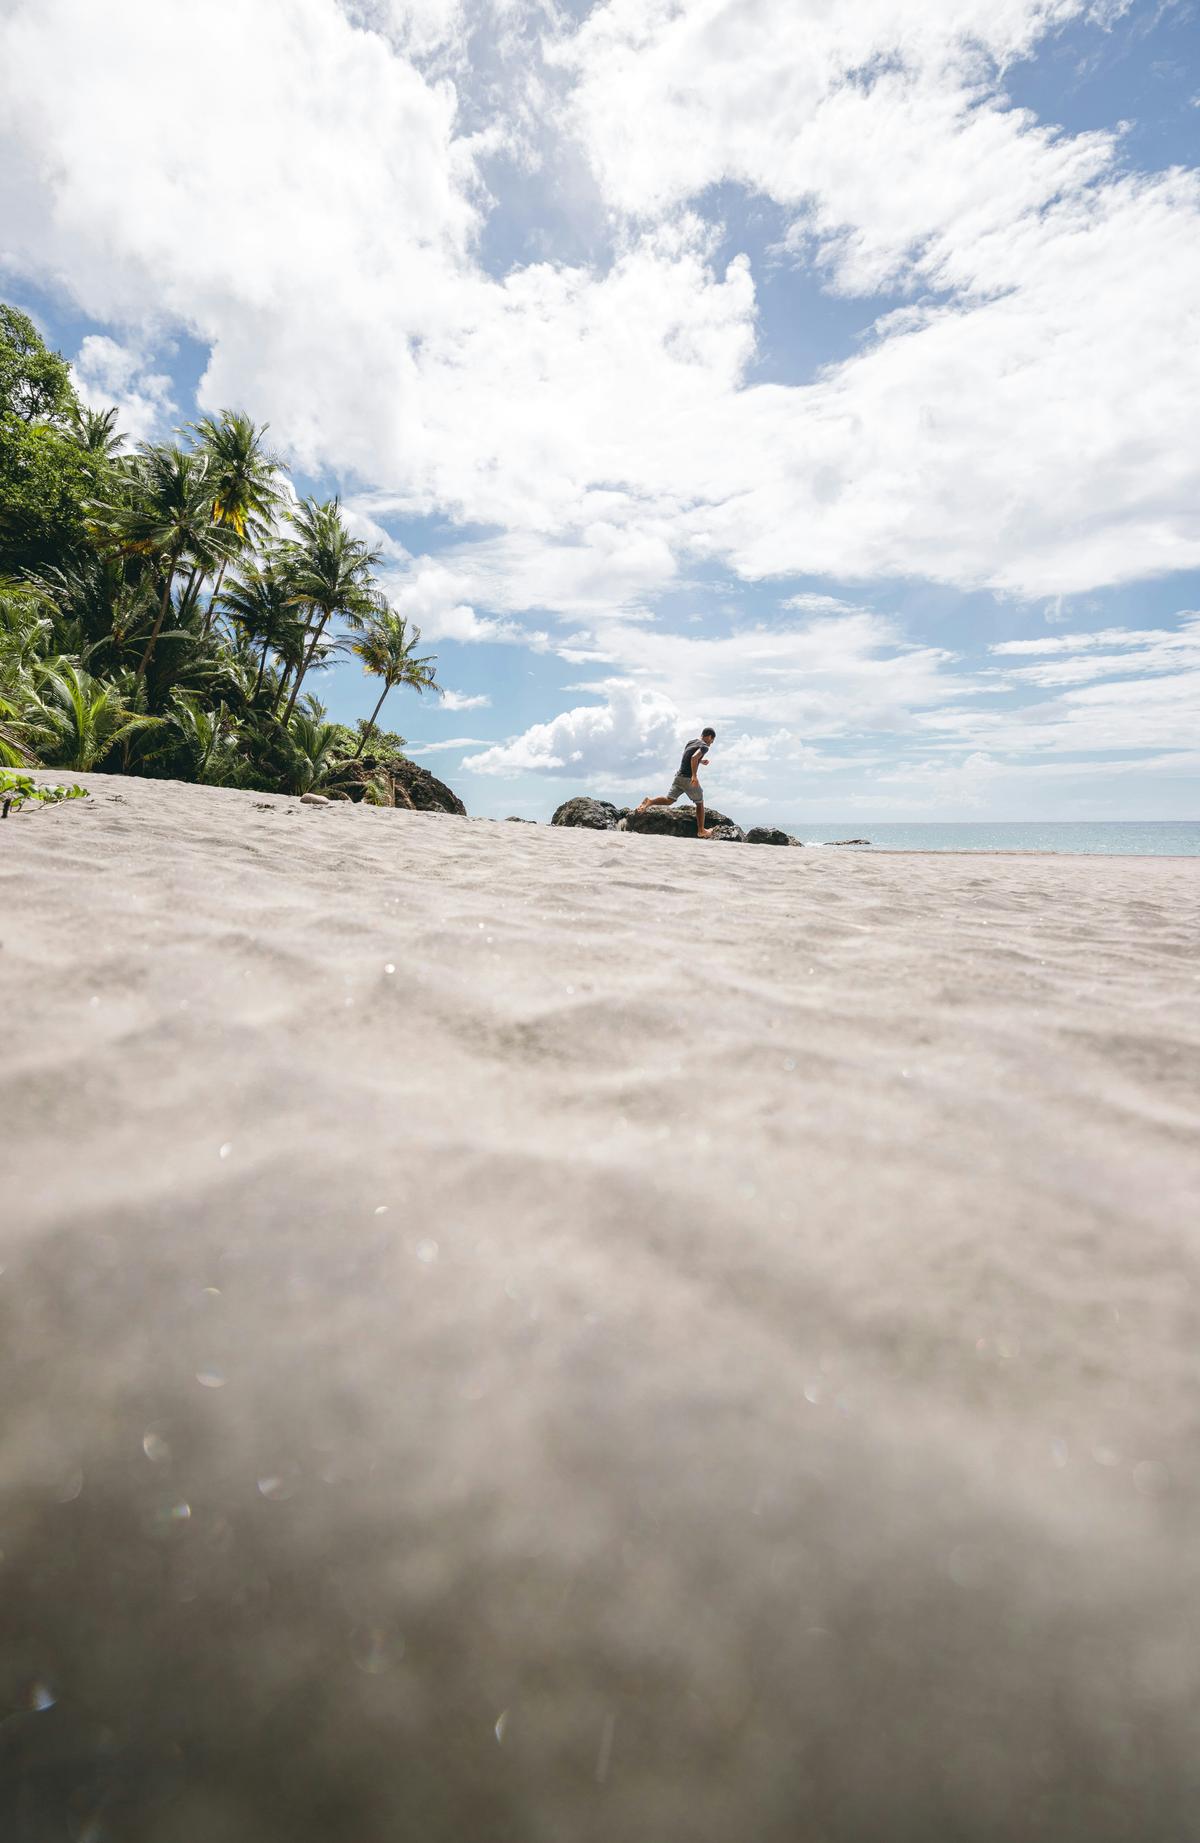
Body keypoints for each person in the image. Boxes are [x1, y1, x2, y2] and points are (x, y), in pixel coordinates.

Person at [636, 728, 717, 838]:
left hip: (678, 776)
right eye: (712, 741)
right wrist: (694, 776)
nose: (711, 744)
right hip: (688, 779)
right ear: (709, 737)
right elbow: (693, 758)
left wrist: (701, 761)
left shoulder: (691, 742)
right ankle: (701, 830)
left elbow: (687, 756)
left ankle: (650, 801)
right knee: (700, 802)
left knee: (669, 800)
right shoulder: (704, 746)